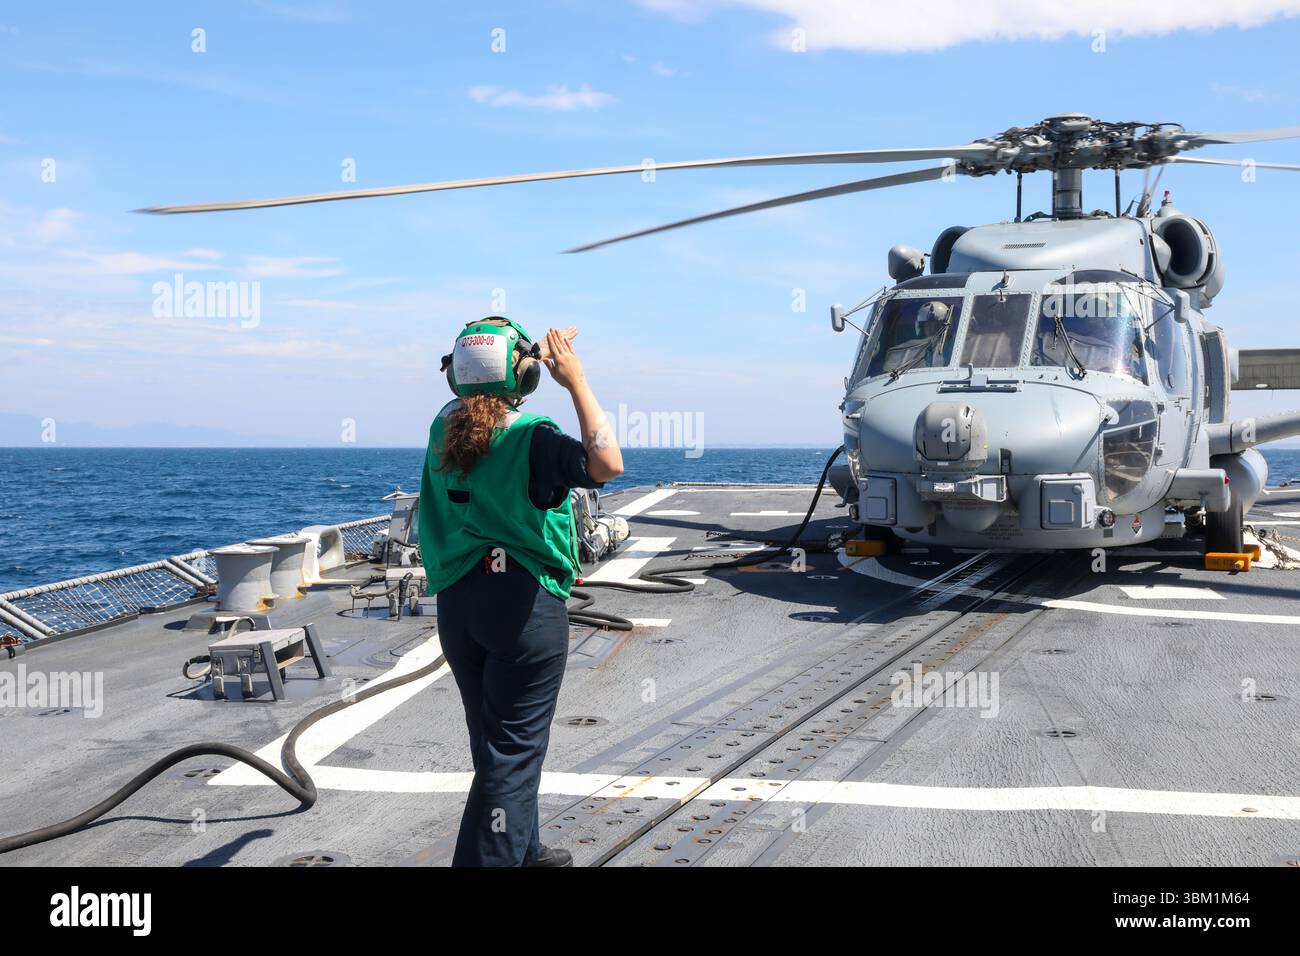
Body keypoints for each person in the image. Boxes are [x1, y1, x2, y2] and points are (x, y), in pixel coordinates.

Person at [418, 317, 623, 867]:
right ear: (525, 375)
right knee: (513, 752)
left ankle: (526, 850)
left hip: (460, 604)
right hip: (522, 608)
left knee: (492, 741)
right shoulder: (532, 437)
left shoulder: (444, 426)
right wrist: (576, 380)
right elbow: (608, 463)